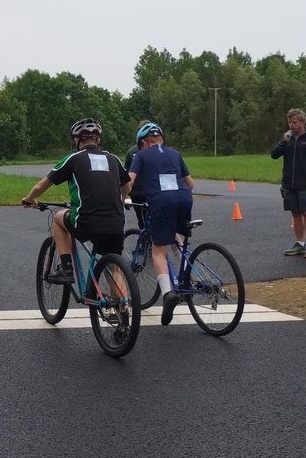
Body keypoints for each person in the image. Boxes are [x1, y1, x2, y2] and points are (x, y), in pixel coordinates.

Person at [21, 118, 130, 285]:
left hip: (86, 222)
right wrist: (121, 200)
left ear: (77, 140)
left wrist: (29, 199)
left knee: (58, 218)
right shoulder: (114, 159)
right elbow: (127, 187)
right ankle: (123, 301)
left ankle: (66, 269)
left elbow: (40, 186)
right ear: (98, 139)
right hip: (116, 223)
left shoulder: (73, 159)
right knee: (112, 268)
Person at [128, 122, 195, 326]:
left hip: (161, 202)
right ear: (161, 139)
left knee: (158, 250)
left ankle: (167, 294)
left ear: (143, 142)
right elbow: (191, 183)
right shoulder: (175, 153)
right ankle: (187, 276)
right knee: (176, 236)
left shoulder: (141, 155)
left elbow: (129, 182)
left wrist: (121, 196)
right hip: (184, 199)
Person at [272, 107, 306, 259]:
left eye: (294, 122)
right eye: (289, 122)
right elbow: (274, 155)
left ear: (302, 122)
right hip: (289, 183)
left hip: (305, 182)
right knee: (295, 213)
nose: (291, 125)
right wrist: (283, 142)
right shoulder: (287, 139)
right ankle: (299, 243)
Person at [122, 119, 151, 229]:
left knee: (141, 219)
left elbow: (126, 173)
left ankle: (143, 234)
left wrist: (124, 195)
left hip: (136, 192)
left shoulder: (132, 151)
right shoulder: (157, 151)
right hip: (151, 190)